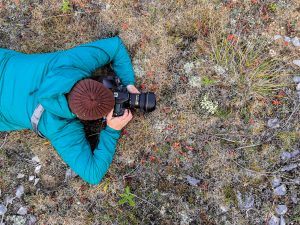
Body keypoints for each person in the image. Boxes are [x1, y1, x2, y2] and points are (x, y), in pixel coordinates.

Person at [0, 36, 139, 185]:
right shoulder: (58, 127)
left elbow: (115, 45)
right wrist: (112, 131)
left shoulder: (70, 63)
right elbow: (93, 174)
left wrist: (129, 84)